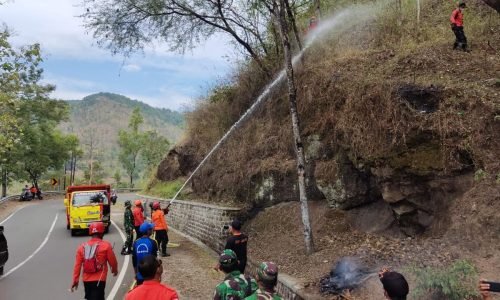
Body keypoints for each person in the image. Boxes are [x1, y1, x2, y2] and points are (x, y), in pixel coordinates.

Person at [71, 222, 118, 300]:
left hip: (86, 280)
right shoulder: (106, 246)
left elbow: (77, 266)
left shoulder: (81, 247)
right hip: (100, 280)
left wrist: (75, 280)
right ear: (101, 233)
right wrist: (114, 270)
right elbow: (113, 261)